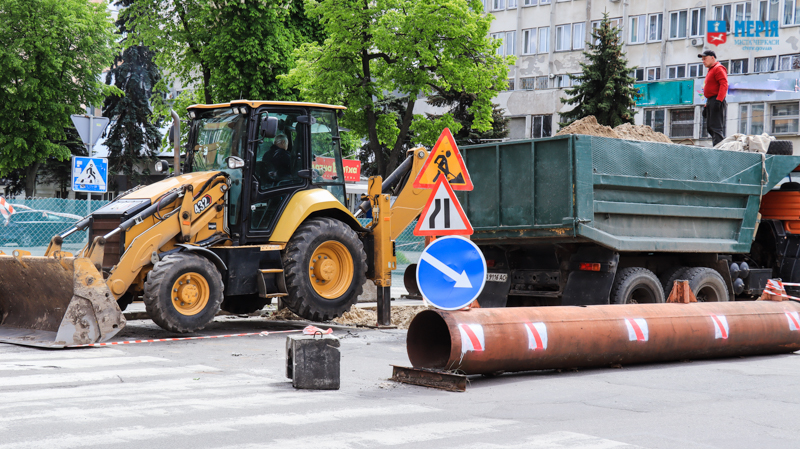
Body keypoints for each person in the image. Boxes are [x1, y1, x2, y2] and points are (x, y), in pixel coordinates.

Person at [699, 50, 728, 146]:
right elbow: (710, 90)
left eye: (705, 58)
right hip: (711, 100)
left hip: (717, 100)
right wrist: (707, 105)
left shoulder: (718, 68)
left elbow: (724, 84)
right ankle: (717, 146)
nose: (703, 61)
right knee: (710, 127)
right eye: (702, 59)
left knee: (716, 127)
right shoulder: (711, 70)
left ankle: (719, 149)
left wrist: (718, 101)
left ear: (712, 58)